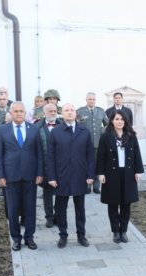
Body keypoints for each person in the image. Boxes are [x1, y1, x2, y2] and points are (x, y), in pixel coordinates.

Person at [0, 102, 44, 251]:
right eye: (16, 111)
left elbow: (39, 154)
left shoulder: (34, 129)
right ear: (10, 112)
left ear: (25, 112)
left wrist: (40, 173)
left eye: (21, 111)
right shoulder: (2, 130)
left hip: (30, 176)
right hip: (10, 176)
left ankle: (29, 237)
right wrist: (0, 176)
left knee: (30, 208)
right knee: (13, 209)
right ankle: (16, 239)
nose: (19, 113)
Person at [47, 103, 95, 248]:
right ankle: (63, 235)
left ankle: (81, 235)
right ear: (62, 113)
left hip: (80, 175)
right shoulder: (55, 132)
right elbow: (50, 156)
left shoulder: (84, 131)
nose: (69, 112)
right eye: (66, 110)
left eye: (72, 110)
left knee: (80, 208)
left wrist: (90, 175)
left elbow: (90, 156)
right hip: (61, 176)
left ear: (76, 113)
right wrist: (51, 177)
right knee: (61, 208)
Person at [96, 110, 144, 243]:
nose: (119, 121)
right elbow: (101, 156)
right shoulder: (106, 137)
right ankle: (115, 232)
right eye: (117, 119)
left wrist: (138, 171)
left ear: (125, 121)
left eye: (122, 119)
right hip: (111, 173)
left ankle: (124, 231)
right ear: (112, 120)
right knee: (113, 203)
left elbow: (137, 154)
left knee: (126, 204)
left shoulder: (131, 135)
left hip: (128, 173)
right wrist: (100, 173)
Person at [35, 103, 63, 228]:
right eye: (50, 111)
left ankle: (58, 216)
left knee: (61, 192)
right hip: (46, 165)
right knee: (47, 193)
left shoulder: (63, 125)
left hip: (61, 165)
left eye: (54, 110)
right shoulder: (37, 127)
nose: (53, 113)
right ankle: (49, 217)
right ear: (44, 112)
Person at [77, 92, 108, 194]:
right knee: (86, 165)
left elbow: (108, 124)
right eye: (90, 99)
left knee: (97, 165)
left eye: (93, 99)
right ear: (86, 100)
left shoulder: (101, 111)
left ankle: (96, 186)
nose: (92, 101)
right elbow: (75, 126)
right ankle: (86, 186)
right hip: (84, 144)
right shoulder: (80, 111)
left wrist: (101, 131)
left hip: (98, 143)